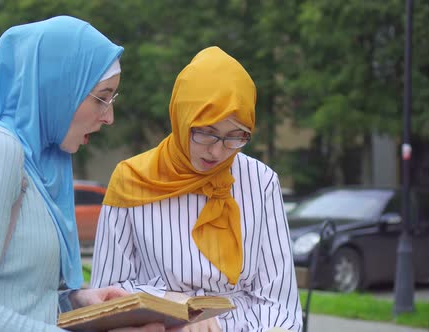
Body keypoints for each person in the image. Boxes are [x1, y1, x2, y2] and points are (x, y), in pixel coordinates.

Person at [0, 16, 163, 332]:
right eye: (101, 96)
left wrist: (75, 302)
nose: (109, 117)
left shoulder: (38, 164)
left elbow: (14, 299)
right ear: (58, 85)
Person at [91, 46, 303, 331]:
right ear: (182, 117)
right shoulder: (131, 179)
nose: (217, 151)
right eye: (205, 133)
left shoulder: (261, 181)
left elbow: (279, 297)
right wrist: (172, 305)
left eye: (234, 137)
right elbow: (108, 290)